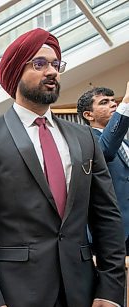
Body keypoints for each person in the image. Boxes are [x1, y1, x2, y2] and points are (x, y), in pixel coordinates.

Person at [0, 28, 125, 307]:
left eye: (56, 65)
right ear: (15, 70)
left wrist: (111, 290)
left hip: (80, 302)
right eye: (39, 64)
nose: (52, 71)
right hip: (13, 306)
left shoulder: (84, 138)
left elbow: (107, 217)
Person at [77, 83, 129, 253]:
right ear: (88, 115)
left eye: (114, 101)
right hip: (112, 234)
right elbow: (104, 152)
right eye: (104, 102)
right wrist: (126, 103)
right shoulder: (85, 142)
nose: (113, 104)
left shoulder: (126, 143)